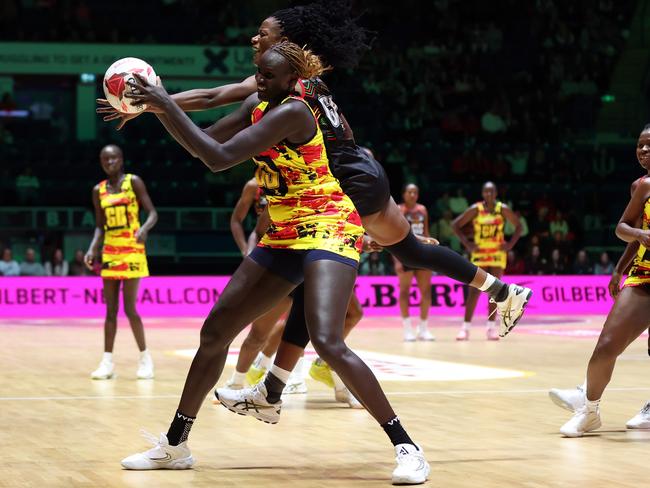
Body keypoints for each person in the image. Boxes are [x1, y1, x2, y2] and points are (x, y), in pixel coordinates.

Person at [99, 3, 532, 340]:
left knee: (311, 263)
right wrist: (159, 104)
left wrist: (159, 101)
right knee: (413, 251)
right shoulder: (306, 76)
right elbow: (214, 103)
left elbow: (214, 98)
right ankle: (503, 291)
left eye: (263, 33)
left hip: (343, 181)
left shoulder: (286, 84)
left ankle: (274, 385)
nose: (255, 37)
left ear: (283, 41)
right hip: (364, 170)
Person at [120, 43, 430, 483]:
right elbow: (204, 144)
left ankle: (407, 447)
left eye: (269, 78)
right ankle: (175, 445)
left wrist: (165, 102)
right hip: (283, 232)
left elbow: (218, 158)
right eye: (258, 75)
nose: (260, 82)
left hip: (328, 223)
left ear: (291, 81)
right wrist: (156, 110)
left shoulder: (294, 112)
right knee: (214, 333)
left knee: (326, 339)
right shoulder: (257, 104)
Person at [548, 124, 650, 436]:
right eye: (640, 146)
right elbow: (623, 229)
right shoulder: (644, 186)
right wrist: (626, 258)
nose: (643, 151)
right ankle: (589, 409)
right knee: (606, 345)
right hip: (645, 276)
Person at [84, 145, 158, 380]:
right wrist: (92, 248)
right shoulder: (98, 190)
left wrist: (144, 229)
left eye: (113, 157)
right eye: (105, 159)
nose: (110, 161)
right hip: (110, 252)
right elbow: (99, 226)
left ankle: (145, 358)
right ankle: (107, 362)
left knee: (130, 309)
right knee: (110, 311)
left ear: (121, 159)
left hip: (132, 250)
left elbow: (153, 213)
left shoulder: (133, 182)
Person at [452, 182, 522, 340]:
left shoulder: (502, 208)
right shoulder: (476, 209)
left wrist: (510, 244)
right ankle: (465, 328)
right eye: (486, 192)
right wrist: (468, 244)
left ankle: (491, 328)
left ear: (496, 193)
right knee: (474, 291)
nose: (489, 194)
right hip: (480, 253)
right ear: (483, 193)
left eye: (491, 192)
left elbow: (519, 226)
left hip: (497, 253)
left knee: (495, 291)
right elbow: (455, 225)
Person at [392, 183, 434, 341]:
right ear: (404, 194)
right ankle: (407, 329)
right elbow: (393, 236)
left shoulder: (422, 210)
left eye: (415, 192)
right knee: (404, 292)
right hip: (404, 254)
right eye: (409, 192)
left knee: (426, 292)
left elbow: (426, 232)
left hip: (422, 253)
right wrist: (396, 260)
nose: (412, 195)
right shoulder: (398, 209)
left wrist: (431, 254)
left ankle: (423, 329)